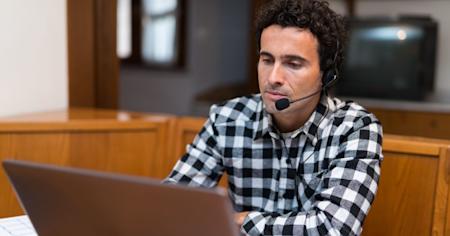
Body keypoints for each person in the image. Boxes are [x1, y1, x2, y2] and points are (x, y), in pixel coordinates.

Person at [165, 0, 383, 235]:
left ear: (326, 75)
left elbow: (333, 229)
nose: (273, 77)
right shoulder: (228, 118)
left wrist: (243, 221)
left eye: (293, 63)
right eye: (267, 60)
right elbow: (170, 204)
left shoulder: (355, 128)